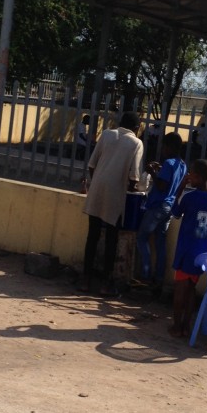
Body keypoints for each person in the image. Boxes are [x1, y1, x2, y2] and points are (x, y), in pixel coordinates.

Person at [81, 111, 143, 296]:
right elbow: (134, 177)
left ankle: (85, 279)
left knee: (92, 236)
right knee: (111, 239)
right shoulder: (136, 143)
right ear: (136, 128)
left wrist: (99, 181)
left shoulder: (107, 134)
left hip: (97, 190)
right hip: (115, 194)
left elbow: (91, 165)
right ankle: (106, 283)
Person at [169, 159, 207, 337]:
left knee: (180, 289)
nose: (189, 177)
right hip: (203, 254)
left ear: (200, 177)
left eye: (192, 175)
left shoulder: (190, 197)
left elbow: (175, 212)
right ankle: (187, 325)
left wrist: (180, 186)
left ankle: (176, 326)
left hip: (185, 251)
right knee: (191, 289)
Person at [135, 132, 187, 296]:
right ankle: (159, 278)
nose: (162, 149)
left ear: (169, 147)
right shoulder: (182, 165)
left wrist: (151, 172)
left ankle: (145, 274)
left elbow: (162, 185)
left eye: (164, 146)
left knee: (142, 238)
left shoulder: (169, 163)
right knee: (160, 242)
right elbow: (175, 186)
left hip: (157, 206)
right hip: (169, 207)